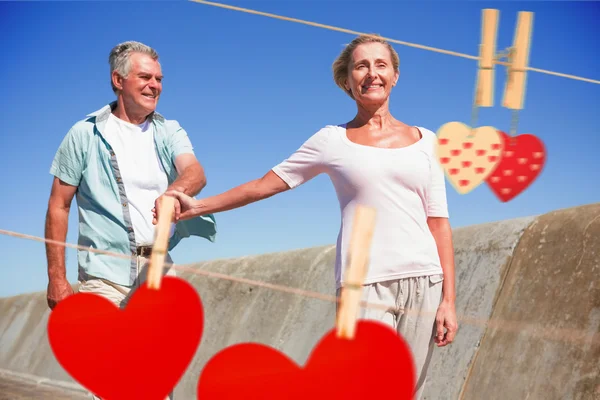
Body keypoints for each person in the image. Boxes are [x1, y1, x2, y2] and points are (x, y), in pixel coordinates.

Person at [160, 34, 458, 399]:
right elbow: (264, 185)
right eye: (361, 66)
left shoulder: (426, 141)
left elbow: (439, 222)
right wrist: (199, 207)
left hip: (424, 280)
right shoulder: (331, 140)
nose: (372, 73)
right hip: (360, 285)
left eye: (381, 65)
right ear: (347, 81)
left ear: (395, 75)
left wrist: (449, 301)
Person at [44, 40, 217, 398]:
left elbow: (195, 172)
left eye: (159, 78)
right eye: (145, 76)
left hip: (159, 269)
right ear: (118, 80)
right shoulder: (85, 133)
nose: (155, 85)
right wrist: (57, 279)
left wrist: (175, 190)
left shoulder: (169, 130)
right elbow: (58, 206)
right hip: (104, 275)